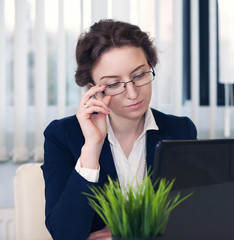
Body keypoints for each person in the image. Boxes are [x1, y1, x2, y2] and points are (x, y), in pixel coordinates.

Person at [41, 19, 197, 240]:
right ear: (94, 89)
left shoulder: (181, 130)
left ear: (151, 67)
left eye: (139, 75)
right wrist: (92, 149)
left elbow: (191, 219)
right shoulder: (62, 135)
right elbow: (64, 234)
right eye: (113, 84)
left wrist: (125, 236)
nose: (133, 93)